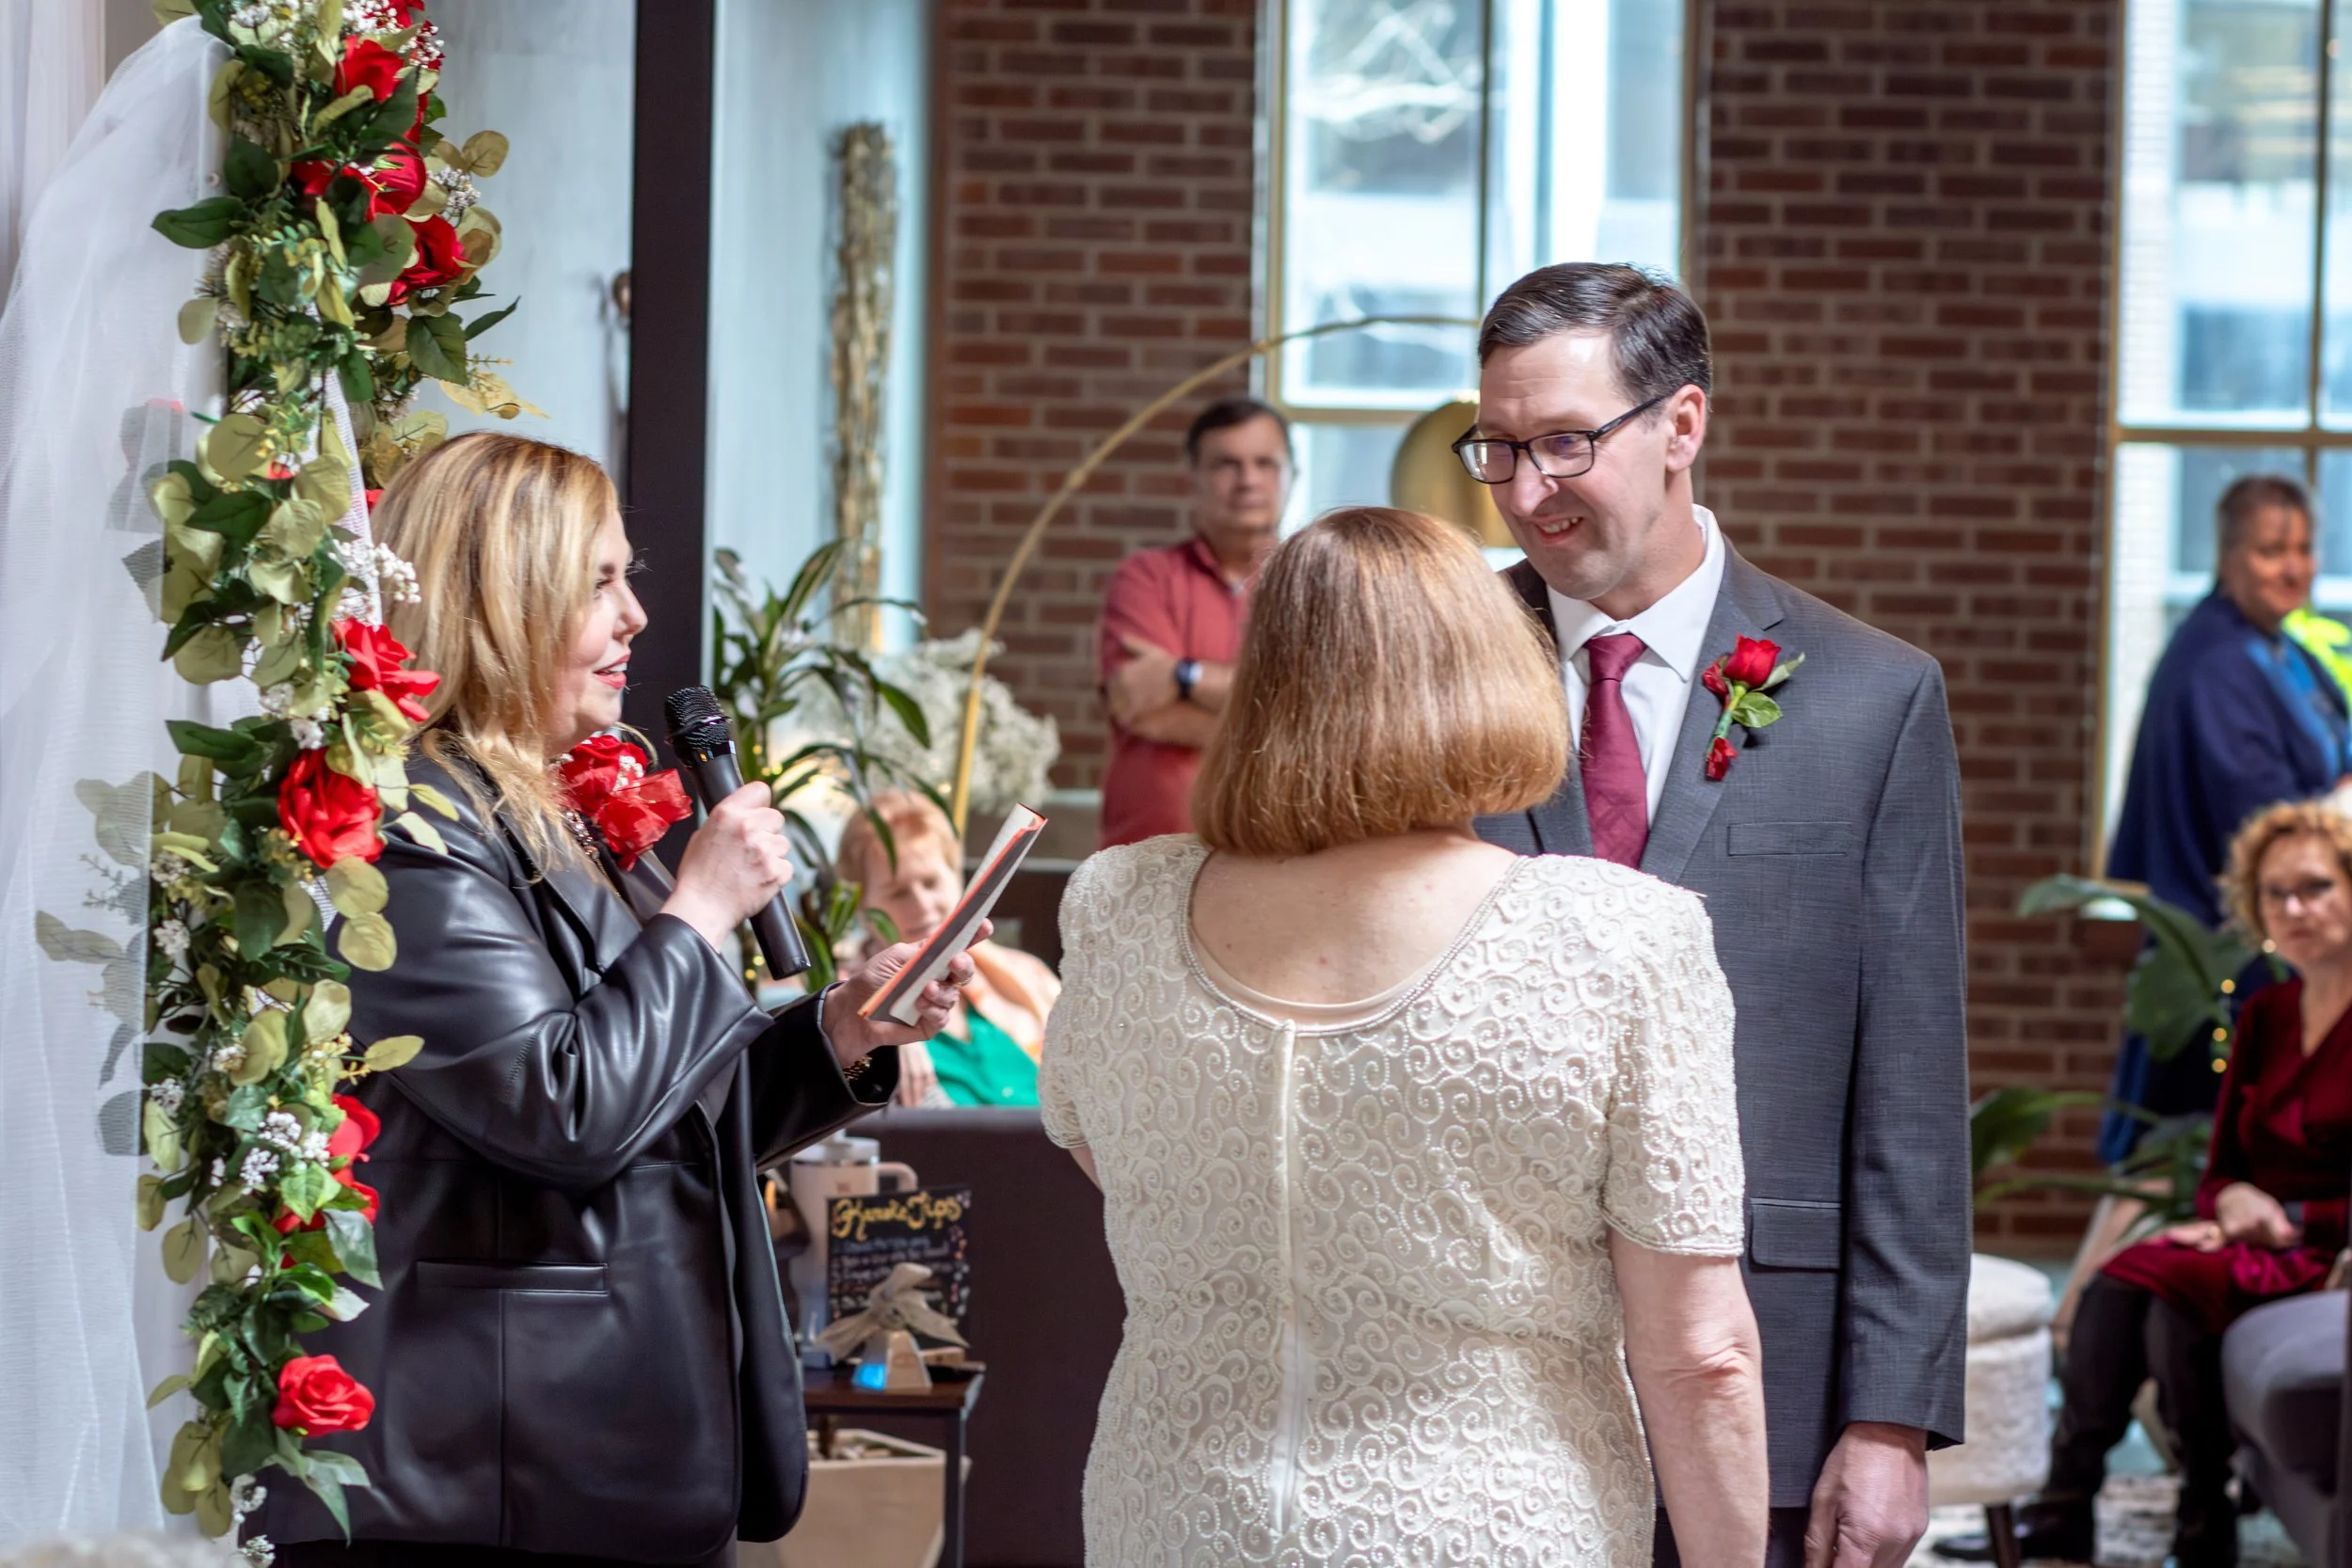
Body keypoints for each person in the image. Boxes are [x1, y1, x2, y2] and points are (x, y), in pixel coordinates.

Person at [254, 434, 979, 1567]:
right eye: (600, 582)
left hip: (611, 1452)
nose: (636, 615)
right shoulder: (404, 833)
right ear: (500, 600)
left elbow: (668, 1114)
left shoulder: (566, 815)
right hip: (494, 1483)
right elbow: (562, 1107)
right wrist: (697, 915)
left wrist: (845, 1029)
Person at [1041, 506, 1770, 1566]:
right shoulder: (1618, 940)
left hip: (1179, 1517)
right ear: (1489, 671)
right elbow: (1700, 1354)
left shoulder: (1118, 904)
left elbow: (1116, 1157)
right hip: (1490, 1524)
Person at [1460, 262, 1971, 1568]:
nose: (1526, 492)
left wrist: (1891, 1417)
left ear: (1681, 425)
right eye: (1499, 447)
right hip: (1479, 1366)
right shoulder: (1436, 679)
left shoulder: (1873, 698)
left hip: (1769, 1357)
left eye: (1565, 441)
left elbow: (1908, 1081)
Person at [1951, 800, 2352, 1568]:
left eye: (2315, 887)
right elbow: (2224, 1167)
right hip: (2249, 1239)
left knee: (2155, 1288)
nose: (2294, 909)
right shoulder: (2267, 1013)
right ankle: (2184, 1522)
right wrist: (2231, 1202)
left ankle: (2087, 1510)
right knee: (2143, 1287)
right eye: (2276, 893)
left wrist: (2292, 1216)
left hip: (2325, 1247)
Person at [2102, 473, 2351, 1161]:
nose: (2294, 567)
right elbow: (2269, 825)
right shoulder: (2216, 661)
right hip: (2224, 958)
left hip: (2280, 949)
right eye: (2273, 549)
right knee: (2185, 1154)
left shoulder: (2284, 649)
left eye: (2304, 547)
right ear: (2229, 555)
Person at [1095, 395, 1294, 847]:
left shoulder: (1317, 584)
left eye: (1265, 463)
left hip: (1275, 854)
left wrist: (1182, 675)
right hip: (1147, 851)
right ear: (1193, 480)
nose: (1247, 481)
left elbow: (1324, 710)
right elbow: (1142, 709)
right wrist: (1279, 726)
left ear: (1289, 476)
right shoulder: (1144, 578)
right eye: (1227, 464)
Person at [834, 789, 1060, 1108]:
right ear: (863, 907)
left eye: (930, 882)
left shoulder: (1026, 976)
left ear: (956, 879)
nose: (923, 906)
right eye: (898, 893)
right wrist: (879, 1043)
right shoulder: (846, 1010)